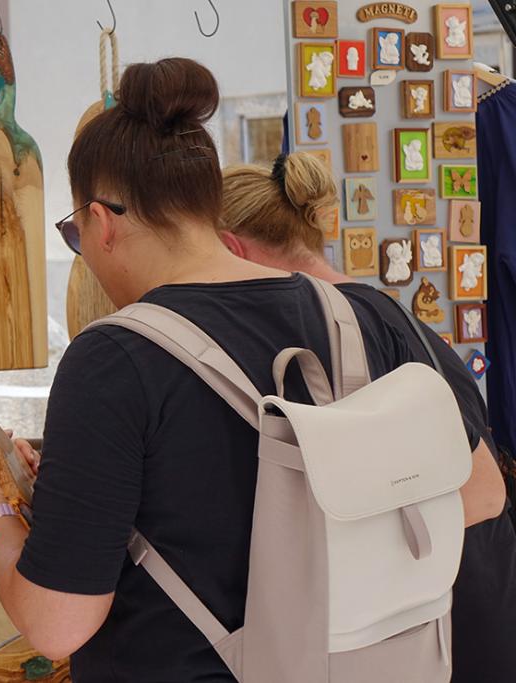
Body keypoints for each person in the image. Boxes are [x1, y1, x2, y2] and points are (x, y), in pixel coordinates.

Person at [0, 57, 505, 682]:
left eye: (76, 234)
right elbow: (482, 492)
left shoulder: (112, 359)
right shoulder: (365, 315)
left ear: (102, 222)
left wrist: (1, 519)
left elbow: (57, 624)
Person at [219, 152, 516, 682]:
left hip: (456, 626)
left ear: (231, 249)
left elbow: (483, 492)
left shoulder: (355, 323)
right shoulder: (370, 312)